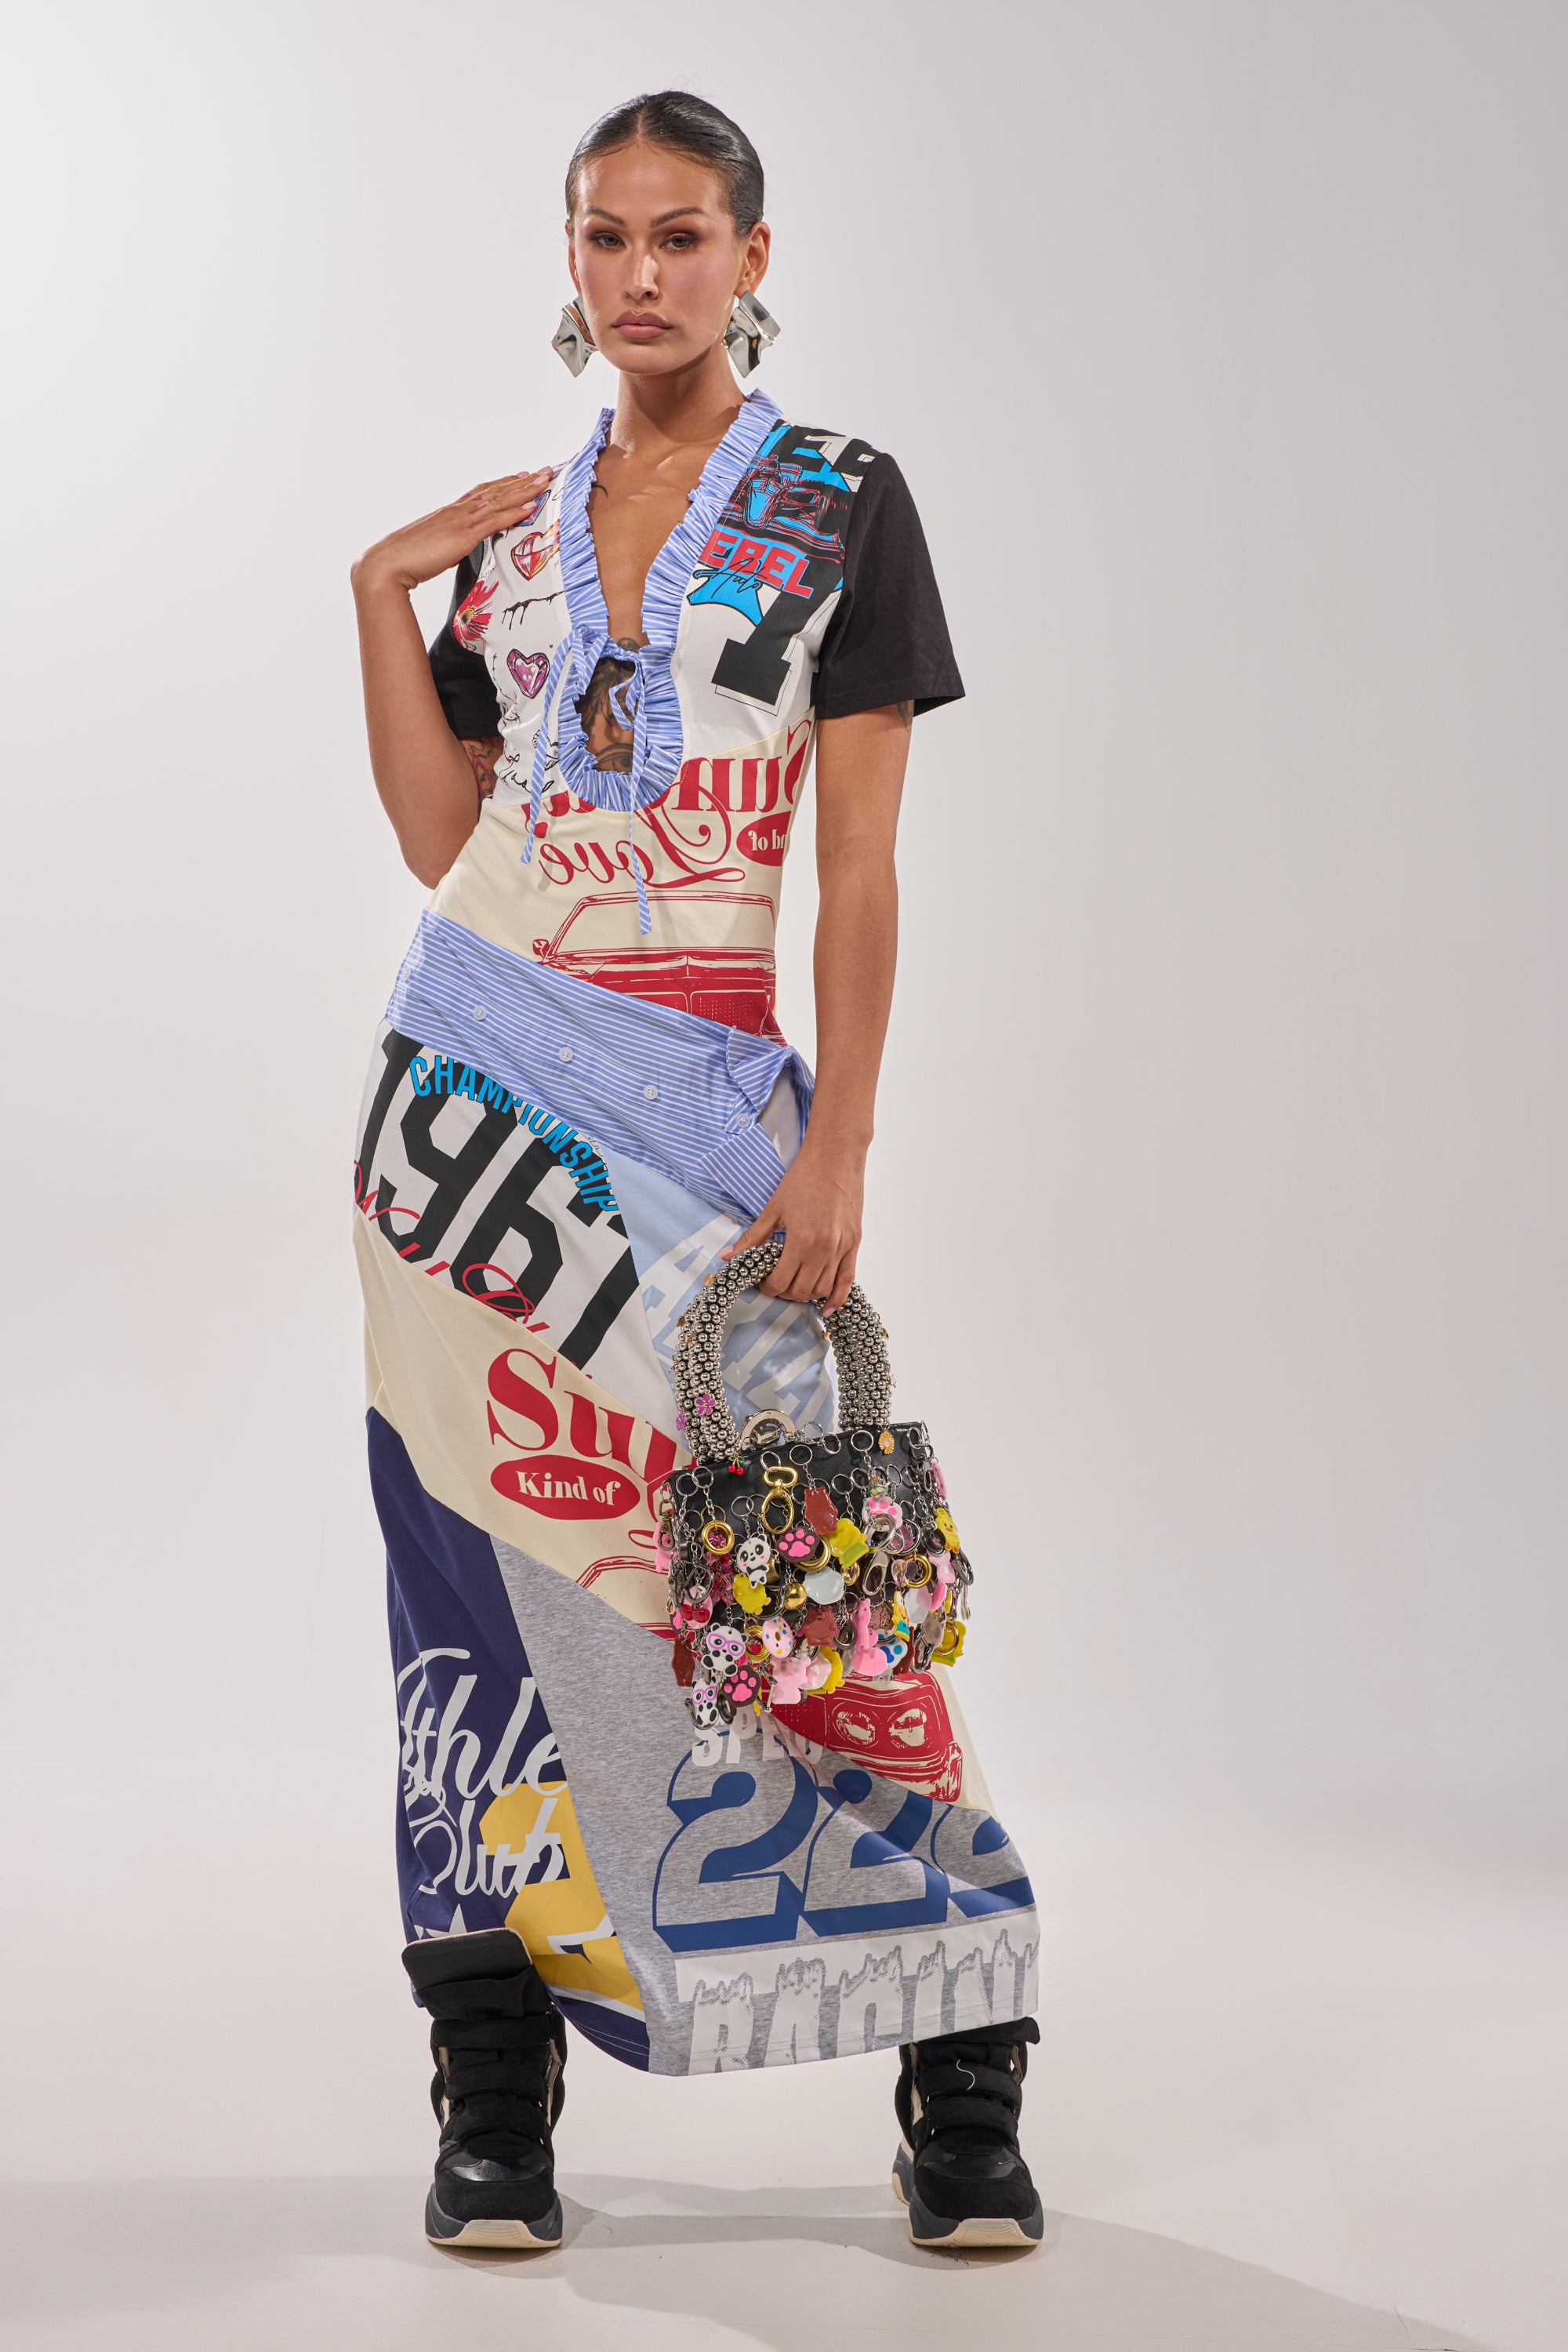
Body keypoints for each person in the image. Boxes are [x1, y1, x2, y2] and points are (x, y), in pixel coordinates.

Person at [349, 89, 1043, 2256]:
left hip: (716, 1106)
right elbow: (438, 838)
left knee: (805, 1582)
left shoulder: (840, 503)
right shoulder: (512, 537)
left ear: (754, 255)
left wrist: (842, 1137)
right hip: (468, 1103)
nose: (639, 273)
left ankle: (963, 2063)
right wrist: (378, 587)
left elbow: (862, 867)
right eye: (603, 236)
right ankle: (495, 2080)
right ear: (570, 263)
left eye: (679, 234)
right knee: (477, 1591)